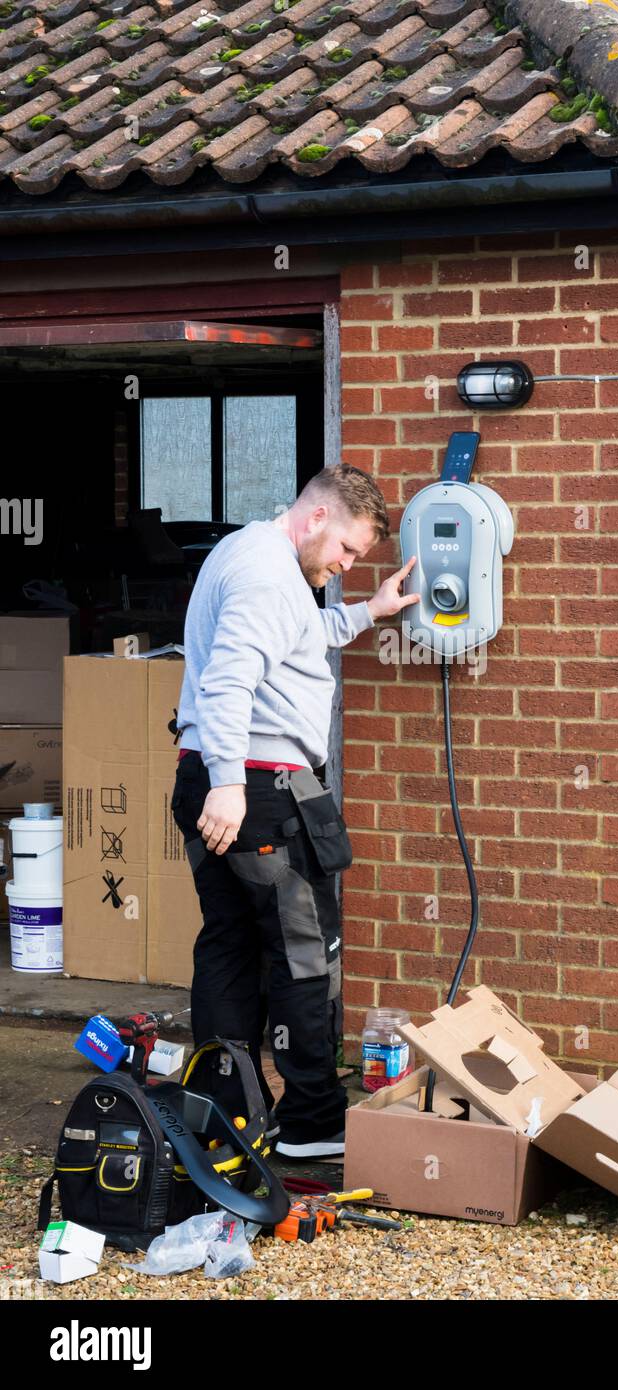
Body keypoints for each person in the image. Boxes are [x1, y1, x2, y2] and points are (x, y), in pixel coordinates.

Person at [170, 464, 418, 1158]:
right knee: (304, 953)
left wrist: (369, 612)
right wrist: (230, 781)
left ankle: (225, 1120)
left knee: (230, 946)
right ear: (315, 519)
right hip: (257, 789)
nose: (344, 566)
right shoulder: (268, 574)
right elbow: (228, 679)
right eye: (347, 551)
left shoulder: (251, 553)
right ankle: (312, 1122)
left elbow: (293, 641)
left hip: (213, 780)